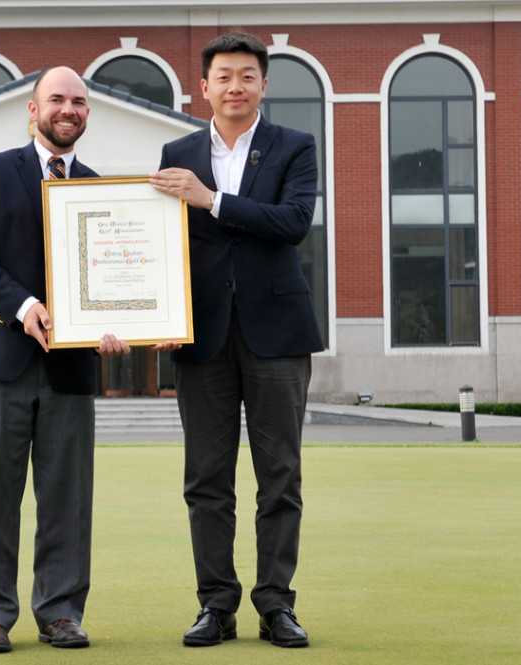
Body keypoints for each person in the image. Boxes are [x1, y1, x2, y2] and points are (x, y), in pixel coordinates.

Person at [150, 32, 322, 649]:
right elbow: (162, 243)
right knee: (206, 478)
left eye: (247, 76)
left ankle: (277, 605)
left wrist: (212, 200)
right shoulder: (178, 150)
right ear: (204, 86)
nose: (235, 87)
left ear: (263, 86)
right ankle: (215, 605)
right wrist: (146, 309)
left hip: (277, 333)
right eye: (223, 76)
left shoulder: (294, 147)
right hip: (200, 336)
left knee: (280, 475)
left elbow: (293, 224)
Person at [0, 66, 128, 654]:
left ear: (87, 113)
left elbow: (110, 279)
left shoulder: (103, 191)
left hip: (70, 370)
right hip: (0, 357)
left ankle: (60, 611)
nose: (68, 109)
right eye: (57, 99)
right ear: (33, 109)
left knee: (67, 497)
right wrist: (24, 306)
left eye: (79, 101)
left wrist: (115, 325)